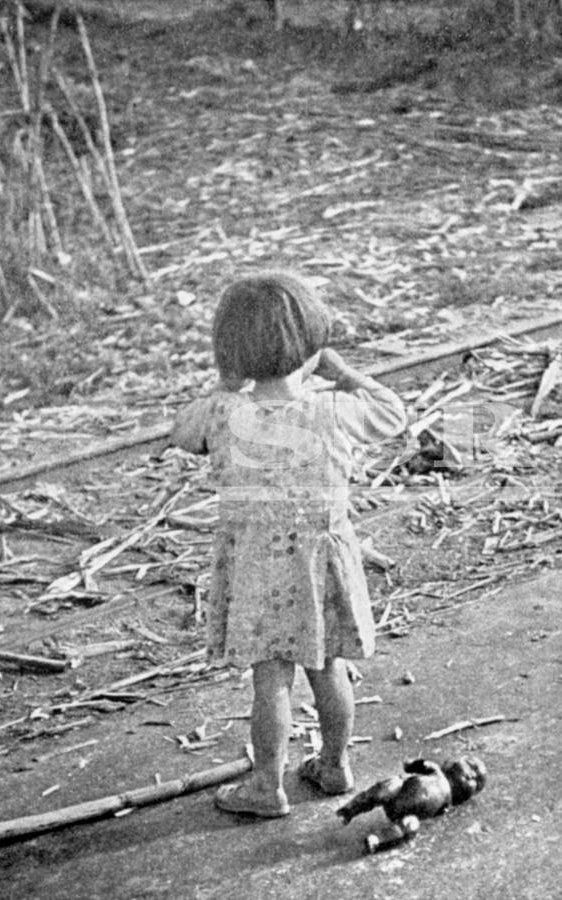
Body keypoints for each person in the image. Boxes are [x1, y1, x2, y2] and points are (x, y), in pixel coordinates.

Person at [171, 271, 406, 818]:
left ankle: (266, 787)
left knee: (270, 683)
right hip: (322, 563)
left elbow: (180, 431)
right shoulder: (334, 408)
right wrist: (343, 374)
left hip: (258, 570)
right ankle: (334, 765)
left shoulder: (223, 412)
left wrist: (228, 385)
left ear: (230, 353)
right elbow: (393, 414)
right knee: (329, 669)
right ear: (312, 347)